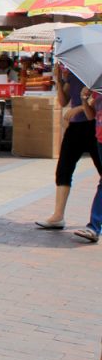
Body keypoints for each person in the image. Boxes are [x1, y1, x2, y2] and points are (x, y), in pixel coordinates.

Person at [35, 63, 101, 230]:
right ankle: (58, 216)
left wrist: (79, 108)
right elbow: (63, 101)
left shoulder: (96, 70)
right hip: (76, 127)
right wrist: (58, 80)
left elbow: (96, 102)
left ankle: (96, 221)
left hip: (94, 126)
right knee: (64, 168)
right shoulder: (72, 71)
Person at [73, 86, 102, 243]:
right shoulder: (97, 88)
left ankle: (94, 227)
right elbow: (91, 116)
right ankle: (94, 227)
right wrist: (84, 99)